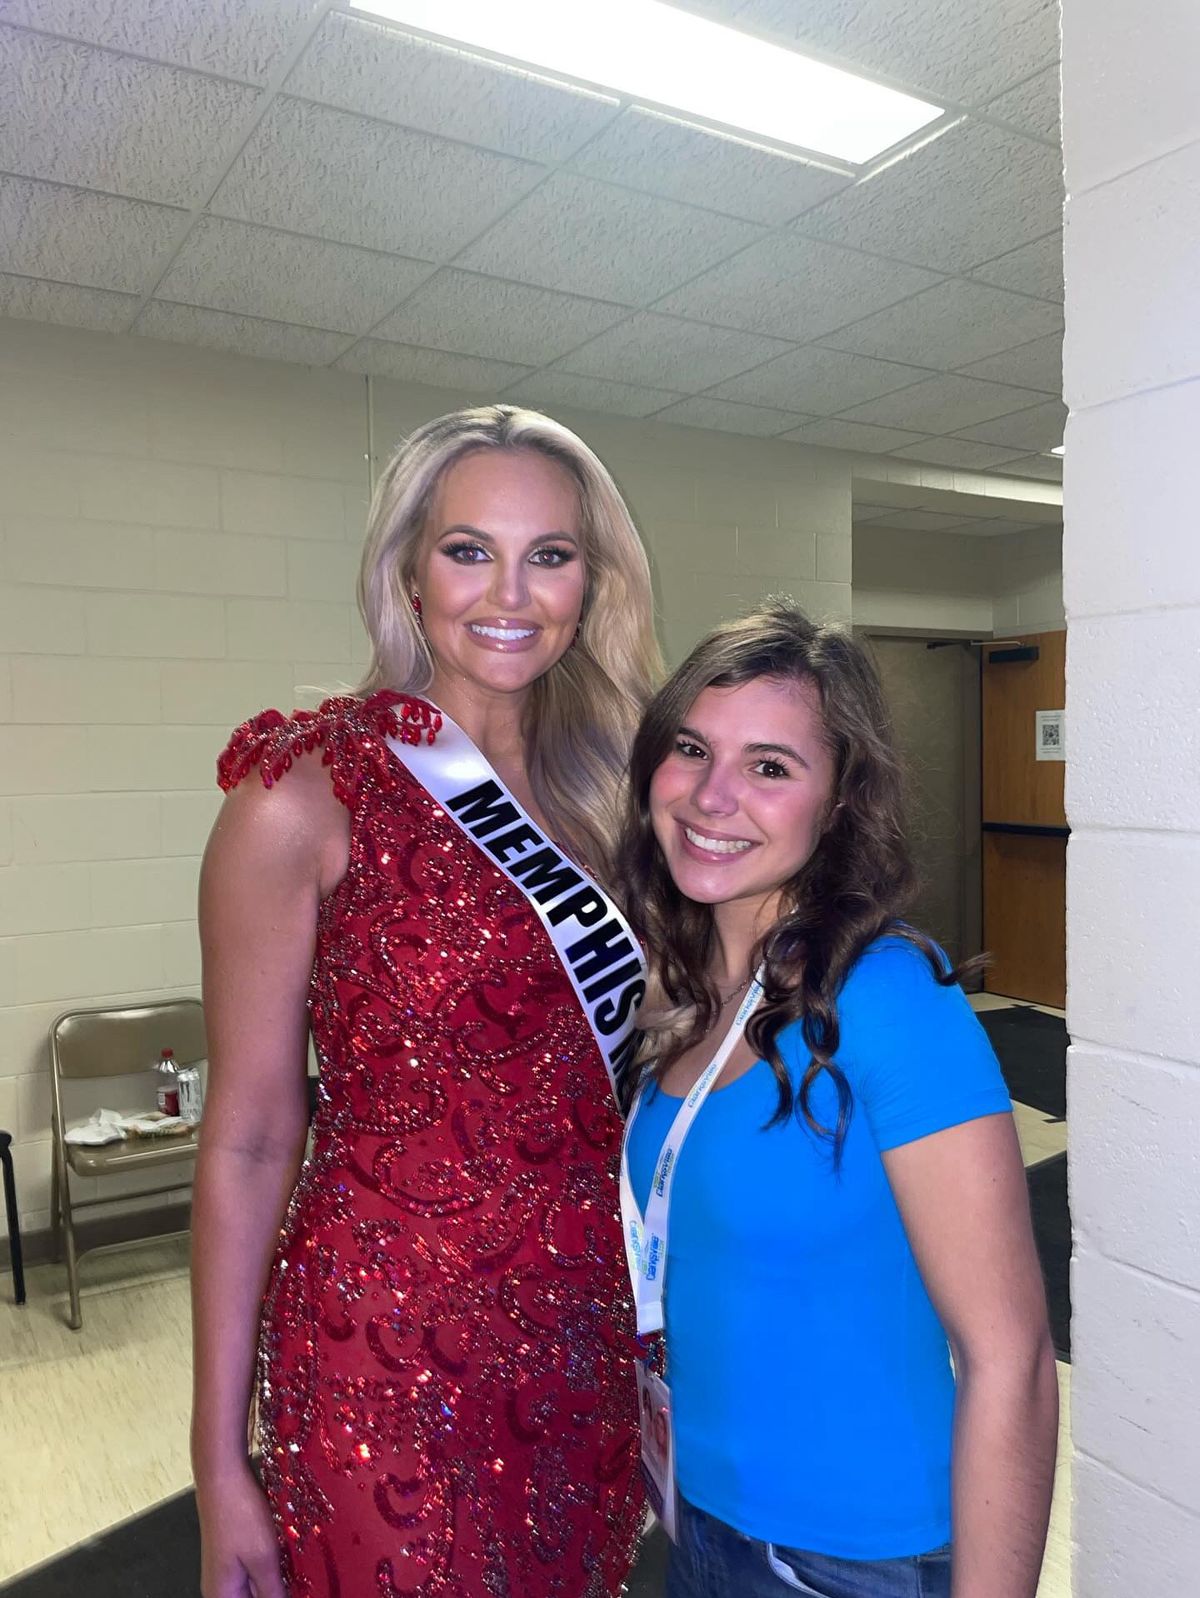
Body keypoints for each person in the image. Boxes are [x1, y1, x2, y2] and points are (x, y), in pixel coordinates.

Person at [191, 405, 662, 1598]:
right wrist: (215, 1457)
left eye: (550, 553)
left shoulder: (623, 800)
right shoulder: (300, 789)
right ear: (406, 565)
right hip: (381, 1352)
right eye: (469, 548)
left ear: (590, 580)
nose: (510, 590)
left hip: (580, 1337)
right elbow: (249, 1138)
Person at [617, 601, 1059, 1598]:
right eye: (693, 747)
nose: (712, 795)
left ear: (839, 802)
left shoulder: (887, 994)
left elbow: (1013, 1356)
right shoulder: (681, 986)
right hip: (701, 1518)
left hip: (850, 1556)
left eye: (771, 766)